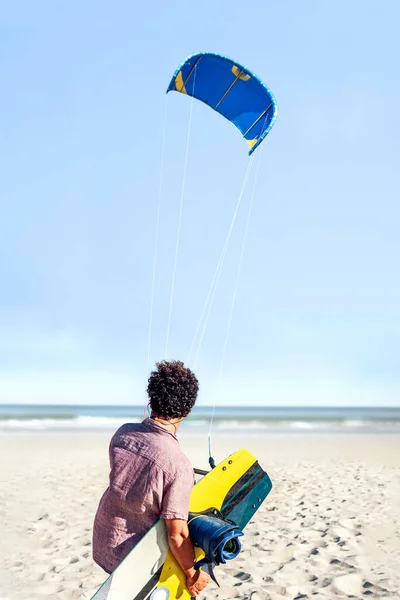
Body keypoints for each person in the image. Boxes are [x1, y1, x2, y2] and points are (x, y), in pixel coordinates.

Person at [92, 359, 210, 597]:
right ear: (187, 410)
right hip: (137, 557)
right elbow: (177, 534)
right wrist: (192, 573)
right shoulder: (179, 465)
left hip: (105, 539)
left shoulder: (123, 433)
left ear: (151, 399)